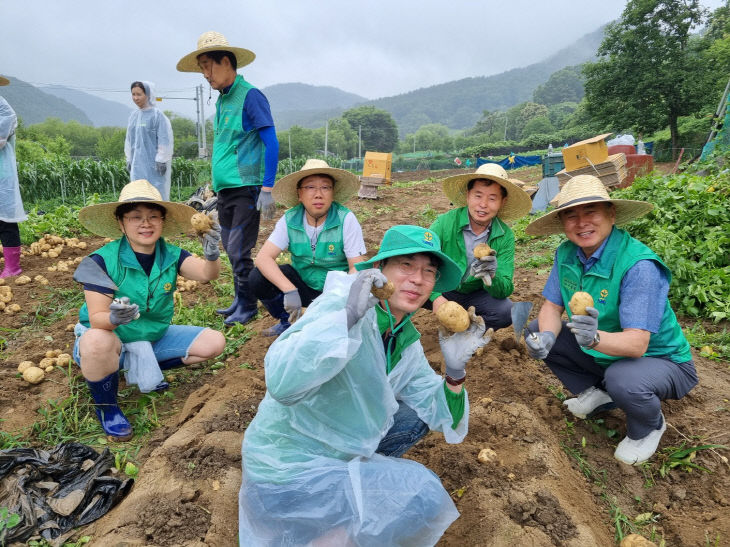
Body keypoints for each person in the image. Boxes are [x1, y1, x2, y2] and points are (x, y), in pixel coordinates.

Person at [239, 225, 493, 545]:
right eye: (406, 265)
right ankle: (327, 533)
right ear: (378, 271)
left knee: (416, 416)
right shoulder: (341, 305)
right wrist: (345, 319)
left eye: (429, 271)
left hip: (333, 455)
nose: (418, 278)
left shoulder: (405, 340)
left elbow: (447, 420)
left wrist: (455, 372)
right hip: (285, 471)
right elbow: (282, 384)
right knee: (419, 495)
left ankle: (339, 517)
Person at [523, 175, 698, 465]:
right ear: (562, 223)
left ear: (611, 214)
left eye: (590, 211)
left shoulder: (638, 265)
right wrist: (549, 338)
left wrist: (594, 338)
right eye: (571, 215)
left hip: (662, 361)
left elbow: (637, 345)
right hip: (607, 352)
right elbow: (551, 308)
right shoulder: (566, 253)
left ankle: (648, 426)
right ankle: (601, 394)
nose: (581, 223)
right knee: (537, 330)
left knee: (623, 378)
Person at [73, 179, 226, 441]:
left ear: (162, 222)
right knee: (97, 341)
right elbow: (97, 319)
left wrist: (212, 255)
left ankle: (143, 364)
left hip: (150, 336)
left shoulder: (172, 255)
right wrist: (113, 317)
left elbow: (206, 275)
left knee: (214, 342)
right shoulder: (99, 261)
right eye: (136, 217)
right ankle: (107, 408)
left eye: (153, 216)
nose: (146, 223)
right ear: (121, 223)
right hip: (110, 339)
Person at [177, 31, 280, 326]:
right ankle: (239, 300)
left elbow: (271, 141)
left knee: (238, 248)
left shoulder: (250, 96)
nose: (205, 75)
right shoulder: (222, 101)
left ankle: (248, 306)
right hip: (226, 190)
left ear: (226, 62)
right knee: (229, 246)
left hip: (247, 188)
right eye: (201, 69)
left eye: (208, 66)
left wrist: (268, 187)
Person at [250, 158, 366, 337]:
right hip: (302, 286)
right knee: (257, 277)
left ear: (333, 193)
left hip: (335, 292)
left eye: (325, 187)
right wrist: (290, 290)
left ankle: (333, 321)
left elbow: (356, 267)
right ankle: (288, 320)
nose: (318, 194)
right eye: (310, 187)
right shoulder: (290, 219)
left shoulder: (345, 219)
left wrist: (336, 299)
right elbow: (263, 258)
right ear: (299, 194)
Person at [429, 163, 532, 329]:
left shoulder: (505, 236)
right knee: (402, 288)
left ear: (502, 202)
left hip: (476, 295)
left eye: (492, 198)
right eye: (478, 196)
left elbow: (504, 290)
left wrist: (492, 276)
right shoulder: (444, 223)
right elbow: (422, 260)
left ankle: (470, 331)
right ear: (468, 195)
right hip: (442, 287)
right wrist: (435, 297)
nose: (483, 204)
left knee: (506, 312)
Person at [124, 81, 174, 200]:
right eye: (133, 94)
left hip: (154, 167)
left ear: (148, 95)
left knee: (156, 197)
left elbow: (164, 140)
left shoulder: (157, 116)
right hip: (137, 166)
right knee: (138, 195)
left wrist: (161, 159)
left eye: (139, 94)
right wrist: (129, 159)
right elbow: (129, 141)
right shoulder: (133, 116)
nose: (135, 98)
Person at [0, 75, 27, 278]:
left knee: (5, 220)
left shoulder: (3, 108)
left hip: (2, 174)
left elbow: (8, 122)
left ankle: (13, 266)